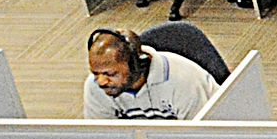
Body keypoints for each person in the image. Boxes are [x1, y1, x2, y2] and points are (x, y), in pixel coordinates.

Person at [84, 29, 217, 120]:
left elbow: (201, 137)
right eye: (95, 73)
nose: (101, 81)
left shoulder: (185, 81)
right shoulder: (94, 86)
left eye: (110, 74)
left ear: (137, 65)